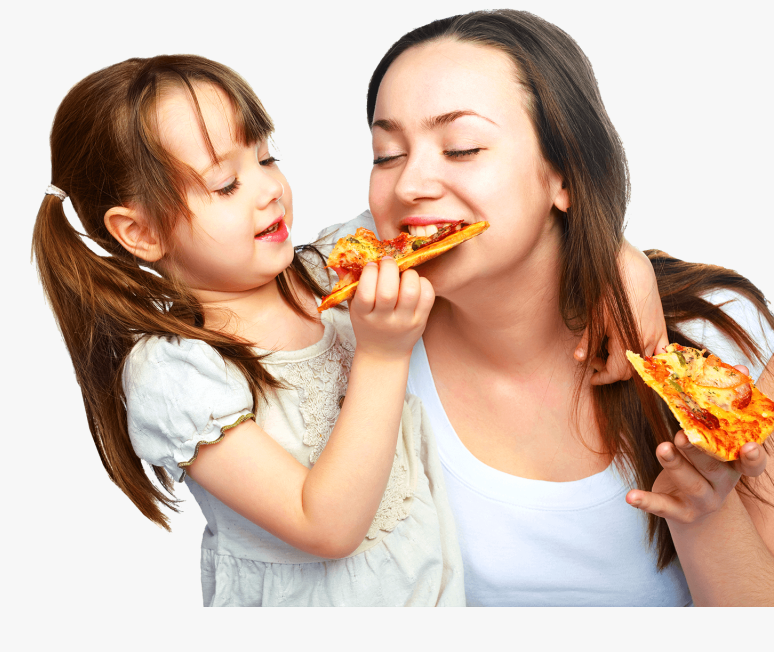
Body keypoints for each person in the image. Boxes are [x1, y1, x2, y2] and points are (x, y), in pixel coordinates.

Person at [322, 10, 774, 606]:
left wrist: (707, 518)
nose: (410, 184)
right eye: (386, 155)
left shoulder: (714, 335)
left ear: (563, 172)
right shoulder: (346, 334)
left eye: (461, 148)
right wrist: (619, 256)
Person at [32, 55, 467, 606]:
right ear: (139, 232)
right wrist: (381, 357)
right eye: (225, 184)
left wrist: (613, 287)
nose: (269, 189)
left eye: (267, 157)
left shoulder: (333, 268)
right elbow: (325, 527)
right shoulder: (176, 374)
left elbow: (443, 208)